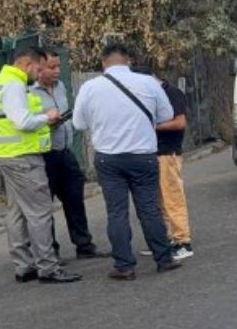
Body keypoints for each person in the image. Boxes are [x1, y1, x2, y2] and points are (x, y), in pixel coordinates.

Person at [72, 44, 181, 280]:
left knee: (117, 212)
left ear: (103, 62)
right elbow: (165, 116)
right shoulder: (148, 83)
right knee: (149, 208)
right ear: (128, 61)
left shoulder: (89, 87)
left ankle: (124, 266)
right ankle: (163, 259)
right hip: (143, 156)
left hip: (108, 159)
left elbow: (79, 124)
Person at [0, 47, 81, 284]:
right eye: (38, 69)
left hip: (10, 155)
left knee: (17, 211)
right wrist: (47, 118)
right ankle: (48, 267)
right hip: (24, 158)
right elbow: (22, 121)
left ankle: (24, 266)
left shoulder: (5, 81)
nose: (39, 74)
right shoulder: (14, 86)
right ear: (26, 64)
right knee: (40, 212)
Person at [30, 52, 107, 261]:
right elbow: (25, 122)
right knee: (45, 206)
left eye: (58, 67)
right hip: (43, 156)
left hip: (65, 152)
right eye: (51, 67)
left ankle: (84, 245)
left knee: (75, 199)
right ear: (39, 68)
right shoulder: (29, 92)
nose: (56, 71)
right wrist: (46, 122)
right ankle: (50, 252)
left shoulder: (61, 87)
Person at [133, 66, 193, 261]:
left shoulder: (172, 93)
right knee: (158, 201)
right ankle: (164, 239)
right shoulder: (148, 96)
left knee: (172, 198)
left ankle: (183, 241)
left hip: (168, 153)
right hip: (150, 153)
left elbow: (180, 122)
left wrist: (152, 127)